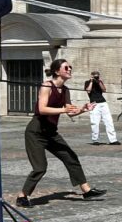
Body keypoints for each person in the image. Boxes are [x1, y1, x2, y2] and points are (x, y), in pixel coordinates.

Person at [16, 59, 107, 207]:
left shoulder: (65, 90)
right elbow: (42, 109)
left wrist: (83, 109)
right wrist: (64, 110)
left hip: (51, 133)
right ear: (57, 71)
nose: (69, 69)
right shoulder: (47, 86)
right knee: (40, 168)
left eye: (70, 67)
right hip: (36, 132)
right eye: (66, 67)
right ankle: (22, 196)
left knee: (70, 156)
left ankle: (86, 190)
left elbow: (70, 112)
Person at [84, 70, 120, 145]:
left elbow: (104, 90)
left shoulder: (99, 82)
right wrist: (91, 81)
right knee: (95, 122)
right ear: (91, 76)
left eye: (97, 75)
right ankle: (95, 140)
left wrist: (99, 82)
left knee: (109, 121)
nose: (96, 77)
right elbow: (88, 91)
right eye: (95, 76)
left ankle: (113, 140)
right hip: (94, 104)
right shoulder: (87, 82)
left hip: (103, 103)